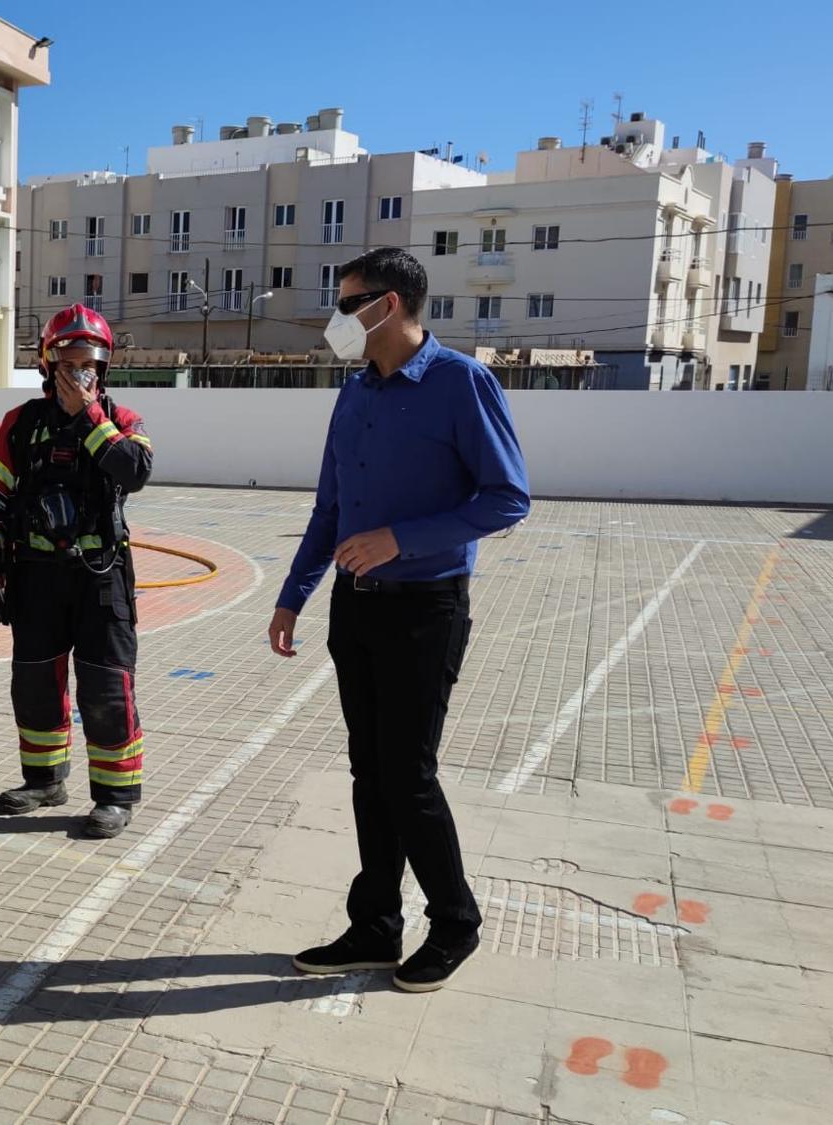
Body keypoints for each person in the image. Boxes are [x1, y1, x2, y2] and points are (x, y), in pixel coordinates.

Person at [271, 247, 530, 993]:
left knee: (408, 775)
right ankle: (377, 923)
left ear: (389, 305)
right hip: (357, 610)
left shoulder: (461, 383)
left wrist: (401, 538)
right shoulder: (354, 394)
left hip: (427, 607)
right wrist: (293, 595)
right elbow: (329, 507)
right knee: (368, 773)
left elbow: (507, 496)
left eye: (349, 301)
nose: (339, 317)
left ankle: (455, 922)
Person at [0, 305, 153, 839]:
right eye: (67, 360)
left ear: (105, 366)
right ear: (47, 363)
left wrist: (90, 417)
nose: (78, 371)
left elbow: (135, 471)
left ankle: (115, 797)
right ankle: (45, 779)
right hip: (37, 575)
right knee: (35, 683)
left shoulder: (121, 419)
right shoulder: (20, 425)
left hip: (102, 576)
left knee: (107, 687)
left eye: (88, 361)